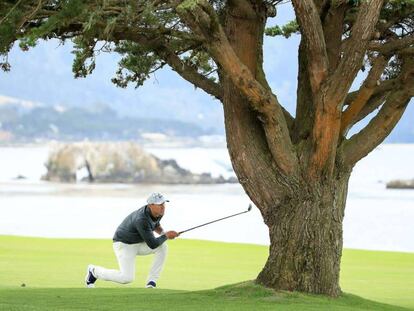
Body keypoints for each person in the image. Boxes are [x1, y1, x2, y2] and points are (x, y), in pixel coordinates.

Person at [85, 192, 179, 288]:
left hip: (138, 243)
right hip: (124, 244)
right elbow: (152, 244)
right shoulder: (141, 219)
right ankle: (94, 271)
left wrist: (164, 233)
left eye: (164, 204)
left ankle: (151, 281)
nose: (163, 207)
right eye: (160, 205)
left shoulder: (158, 213)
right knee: (126, 278)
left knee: (162, 247)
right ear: (150, 205)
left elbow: (155, 225)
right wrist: (167, 236)